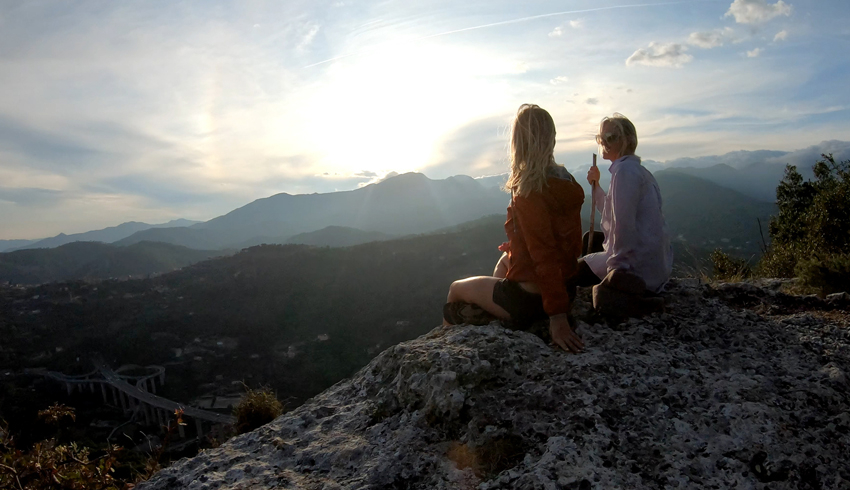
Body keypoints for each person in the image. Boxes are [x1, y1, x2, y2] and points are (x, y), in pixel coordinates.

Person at [443, 104, 585, 353]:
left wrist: (557, 316)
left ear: (519, 143)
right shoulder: (567, 181)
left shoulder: (529, 190)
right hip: (567, 288)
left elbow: (545, 255)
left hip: (532, 300)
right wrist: (517, 245)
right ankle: (496, 314)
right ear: (551, 139)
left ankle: (443, 349)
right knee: (504, 259)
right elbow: (565, 241)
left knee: (456, 289)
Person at [581, 113, 673, 293]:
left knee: (570, 274)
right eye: (601, 138)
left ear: (627, 140)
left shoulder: (624, 172)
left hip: (637, 271)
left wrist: (617, 271)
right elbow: (612, 212)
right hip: (653, 265)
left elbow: (624, 226)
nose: (604, 143)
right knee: (589, 239)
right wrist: (596, 185)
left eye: (610, 137)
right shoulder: (638, 170)